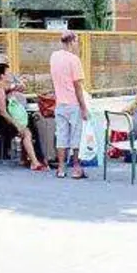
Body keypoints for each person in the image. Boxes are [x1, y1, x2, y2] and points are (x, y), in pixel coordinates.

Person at [0, 63, 48, 171]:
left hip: (2, 120)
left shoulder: (3, 87)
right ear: (2, 76)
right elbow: (3, 112)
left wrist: (18, 86)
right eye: (8, 73)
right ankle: (35, 162)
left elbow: (17, 88)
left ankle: (25, 158)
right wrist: (17, 125)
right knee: (26, 132)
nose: (11, 74)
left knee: (30, 123)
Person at [49, 30, 89, 179]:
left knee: (61, 135)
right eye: (77, 41)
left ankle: (61, 168)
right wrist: (84, 107)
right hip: (73, 103)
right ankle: (76, 168)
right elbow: (77, 86)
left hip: (60, 102)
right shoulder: (74, 60)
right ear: (72, 42)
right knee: (75, 135)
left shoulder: (54, 57)